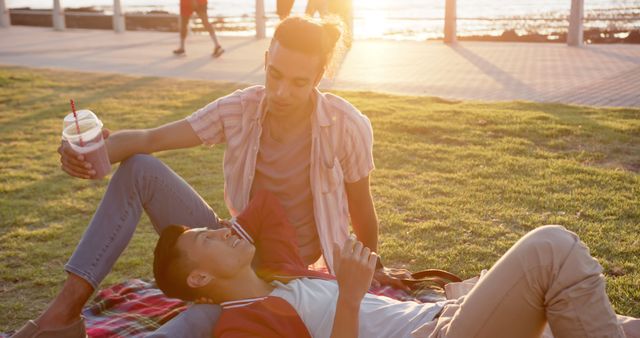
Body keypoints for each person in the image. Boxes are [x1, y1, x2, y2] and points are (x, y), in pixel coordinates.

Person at [12, 16, 405, 338]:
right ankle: (64, 313)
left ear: (320, 75)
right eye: (274, 74)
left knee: (203, 324)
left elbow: (361, 205)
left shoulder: (347, 125)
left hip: (286, 275)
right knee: (139, 167)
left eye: (299, 82)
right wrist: (97, 152)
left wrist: (374, 266)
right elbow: (153, 138)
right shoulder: (241, 108)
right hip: (233, 243)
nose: (282, 91)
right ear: (267, 59)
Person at [154, 190, 639, 338]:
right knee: (551, 249)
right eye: (206, 237)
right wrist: (348, 293)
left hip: (445, 315)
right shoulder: (241, 326)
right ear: (199, 277)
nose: (223, 229)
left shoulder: (280, 274)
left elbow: (268, 203)